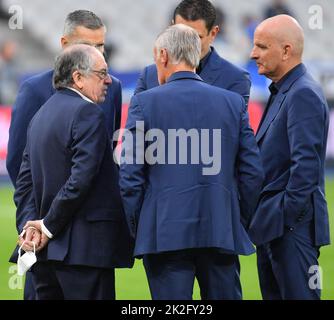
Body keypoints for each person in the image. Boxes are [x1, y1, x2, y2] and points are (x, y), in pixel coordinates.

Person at [119, 24, 263, 300]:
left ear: (162, 55)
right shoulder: (232, 103)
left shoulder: (143, 104)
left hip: (164, 235)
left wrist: (141, 227)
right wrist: (235, 218)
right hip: (220, 232)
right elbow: (252, 172)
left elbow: (130, 176)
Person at [6, 10, 122, 300]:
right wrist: (34, 226)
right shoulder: (35, 90)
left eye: (100, 46)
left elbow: (103, 158)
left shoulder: (111, 88)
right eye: (87, 45)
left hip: (73, 233)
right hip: (64, 243)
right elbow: (21, 162)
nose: (95, 52)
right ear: (64, 43)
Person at [248, 15, 330, 300]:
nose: (252, 53)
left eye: (261, 46)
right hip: (277, 229)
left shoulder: (302, 94)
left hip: (291, 230)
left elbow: (305, 168)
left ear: (286, 50)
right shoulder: (286, 90)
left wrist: (282, 218)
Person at [134, 0, 251, 107]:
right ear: (171, 28)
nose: (188, 43)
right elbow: (137, 127)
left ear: (213, 33)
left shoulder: (236, 78)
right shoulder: (149, 75)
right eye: (180, 34)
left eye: (197, 37)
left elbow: (232, 127)